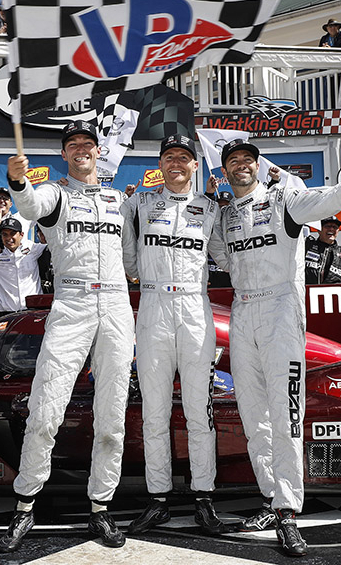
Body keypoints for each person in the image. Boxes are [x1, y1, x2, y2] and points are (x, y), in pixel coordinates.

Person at [213, 137, 341, 557]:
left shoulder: (285, 199)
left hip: (281, 310)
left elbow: (336, 197)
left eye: (248, 159)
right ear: (225, 170)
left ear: (258, 166)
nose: (241, 165)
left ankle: (287, 509)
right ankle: (270, 498)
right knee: (253, 415)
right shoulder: (224, 216)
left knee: (286, 415)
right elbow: (219, 259)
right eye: (233, 161)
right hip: (242, 312)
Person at [0, 121, 133, 552]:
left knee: (112, 418)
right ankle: (24, 506)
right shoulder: (55, 193)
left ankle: (101, 506)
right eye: (73, 144)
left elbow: (131, 256)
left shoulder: (119, 200)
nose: (81, 150)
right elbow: (32, 206)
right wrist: (18, 180)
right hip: (71, 304)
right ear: (64, 154)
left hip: (115, 304)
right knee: (45, 410)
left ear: (98, 151)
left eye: (88, 144)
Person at [120, 134, 229, 535]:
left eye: (184, 157)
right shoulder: (140, 203)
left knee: (199, 408)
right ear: (160, 164)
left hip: (194, 308)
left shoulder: (210, 208)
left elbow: (225, 256)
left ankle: (204, 495)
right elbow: (126, 253)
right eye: (169, 157)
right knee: (155, 411)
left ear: (194, 165)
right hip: (152, 307)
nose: (177, 163)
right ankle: (158, 497)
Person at [304, 216, 341, 284]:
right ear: (319, 230)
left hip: (331, 293)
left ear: (338, 231)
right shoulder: (307, 245)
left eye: (335, 227)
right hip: (306, 292)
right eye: (327, 226)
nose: (331, 229)